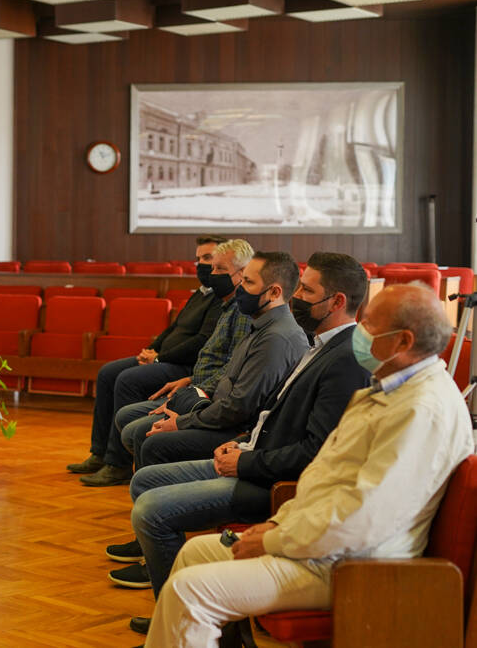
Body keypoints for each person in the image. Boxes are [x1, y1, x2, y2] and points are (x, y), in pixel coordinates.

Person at [143, 283, 473, 648]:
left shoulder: (421, 410)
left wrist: (272, 540)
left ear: (403, 342)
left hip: (354, 565)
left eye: (370, 325)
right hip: (321, 543)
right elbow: (328, 479)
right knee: (194, 554)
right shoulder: (391, 389)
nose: (358, 331)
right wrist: (276, 525)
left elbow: (364, 518)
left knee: (191, 592)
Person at [107, 253, 371, 627]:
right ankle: (174, 603)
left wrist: (243, 459)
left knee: (151, 508)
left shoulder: (344, 360)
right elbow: (272, 413)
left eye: (307, 290)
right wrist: (243, 443)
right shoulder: (319, 344)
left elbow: (314, 451)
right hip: (252, 452)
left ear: (338, 302)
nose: (296, 297)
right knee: (145, 479)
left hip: (272, 482)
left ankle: (175, 616)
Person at [85, 239, 254, 487]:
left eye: (213, 263)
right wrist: (153, 349)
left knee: (127, 381)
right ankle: (100, 452)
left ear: (241, 273)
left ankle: (118, 464)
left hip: (186, 367)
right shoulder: (204, 294)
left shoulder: (232, 305)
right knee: (108, 372)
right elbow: (176, 328)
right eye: (203, 261)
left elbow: (204, 346)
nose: (205, 268)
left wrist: (163, 360)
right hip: (185, 372)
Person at [120, 251, 309, 471]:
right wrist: (186, 400)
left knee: (150, 441)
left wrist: (183, 421)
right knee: (141, 430)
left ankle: (163, 500)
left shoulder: (276, 338)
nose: (240, 288)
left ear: (274, 292)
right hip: (217, 410)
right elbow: (228, 377)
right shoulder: (261, 325)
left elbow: (238, 408)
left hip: (237, 430)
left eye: (248, 282)